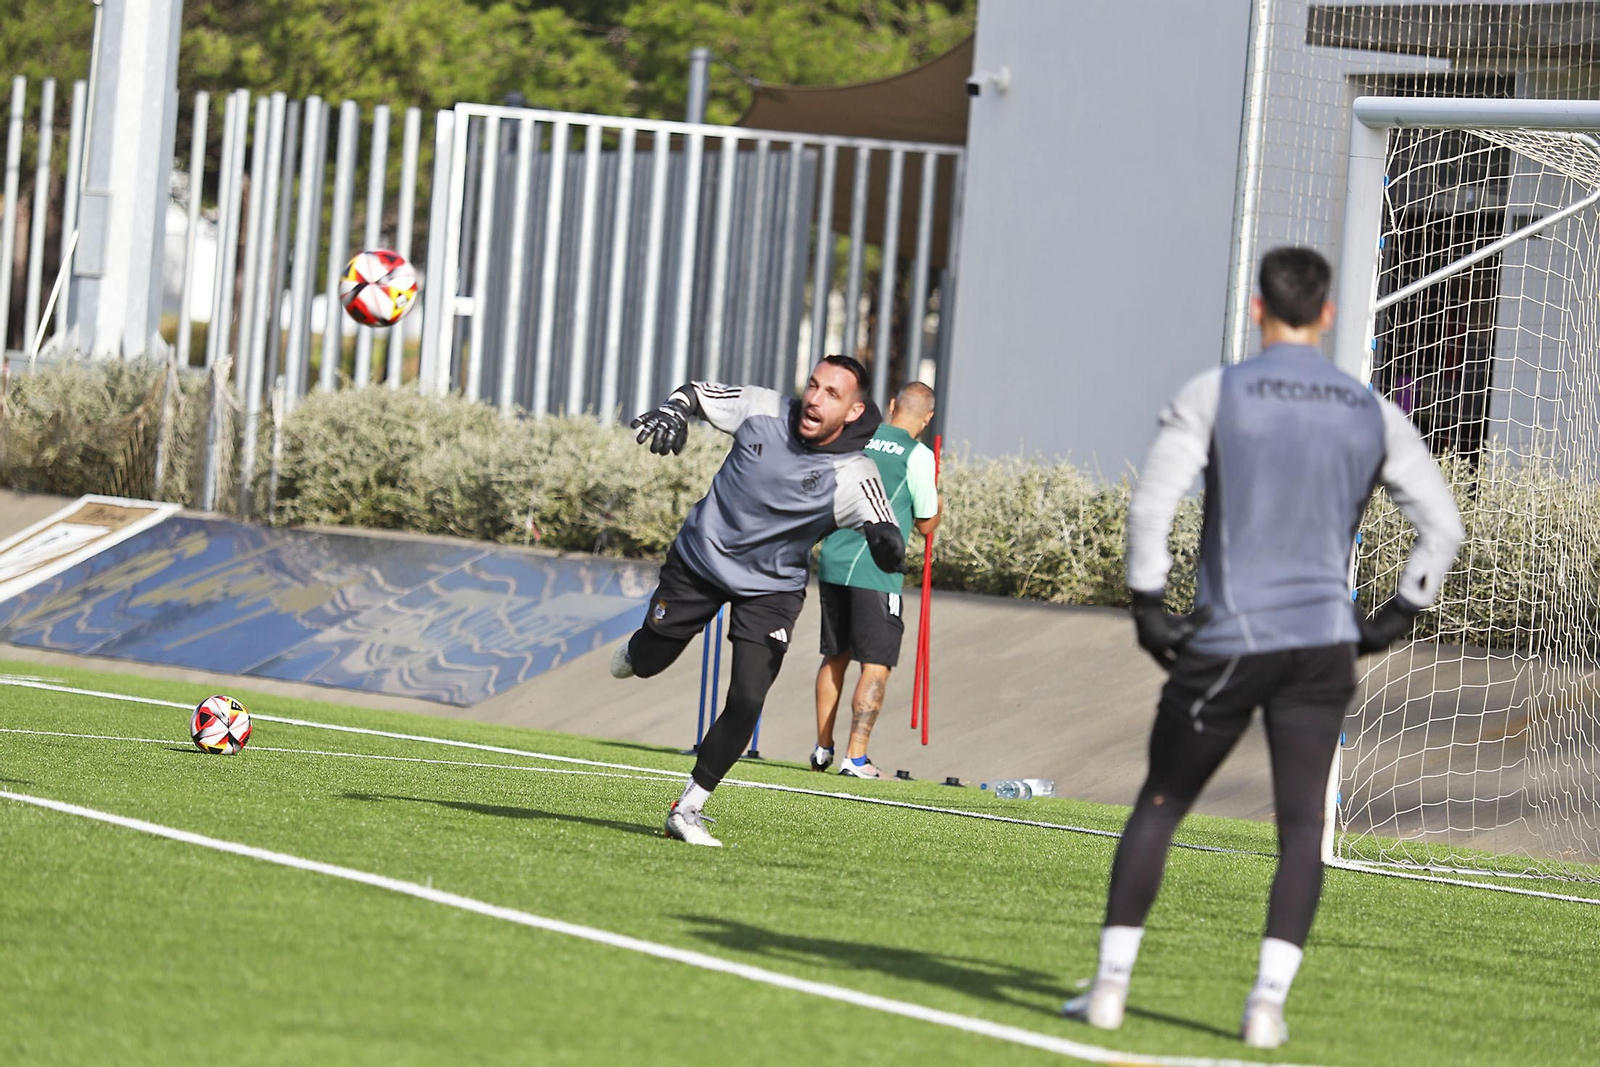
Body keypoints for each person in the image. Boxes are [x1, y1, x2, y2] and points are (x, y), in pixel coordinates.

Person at [1061, 247, 1463, 1049]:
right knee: (1301, 828)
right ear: (1327, 314)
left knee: (1161, 804)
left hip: (1230, 637)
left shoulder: (1215, 392)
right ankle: (1266, 1007)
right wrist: (1394, 616)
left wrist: (1148, 603)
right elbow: (1442, 527)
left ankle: (1108, 990)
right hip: (1321, 645)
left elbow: (1152, 506)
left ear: (1256, 308)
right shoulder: (1371, 409)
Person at [609, 355, 905, 847]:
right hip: (700, 560)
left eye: (832, 394)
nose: (814, 398)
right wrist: (673, 410)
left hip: (771, 588)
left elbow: (885, 529)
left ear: (854, 411)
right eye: (813, 385)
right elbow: (696, 392)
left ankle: (688, 809)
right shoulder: (761, 407)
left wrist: (886, 545)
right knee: (649, 661)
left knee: (748, 697)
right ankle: (639, 650)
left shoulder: (854, 473)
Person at [810, 381, 941, 779]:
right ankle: (857, 757)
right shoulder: (917, 455)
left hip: (833, 559)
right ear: (928, 419)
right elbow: (926, 522)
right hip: (877, 568)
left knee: (835, 655)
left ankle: (822, 748)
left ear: (890, 405)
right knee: (877, 662)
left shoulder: (857, 438)